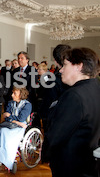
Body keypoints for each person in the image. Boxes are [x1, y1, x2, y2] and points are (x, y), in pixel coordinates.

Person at [43, 48, 100, 177]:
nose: (61, 69)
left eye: (65, 65)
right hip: (90, 162)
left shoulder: (74, 95)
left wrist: (46, 153)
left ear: (79, 66)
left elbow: (57, 134)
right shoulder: (96, 87)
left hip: (71, 165)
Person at [0, 86, 31, 171]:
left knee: (3, 133)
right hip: (11, 125)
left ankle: (4, 158)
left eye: (15, 93)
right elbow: (6, 117)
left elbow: (21, 118)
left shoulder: (27, 105)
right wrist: (15, 120)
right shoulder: (11, 103)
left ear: (21, 95)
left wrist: (11, 117)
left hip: (18, 129)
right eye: (12, 93)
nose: (12, 95)